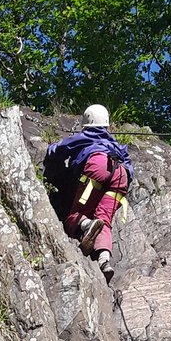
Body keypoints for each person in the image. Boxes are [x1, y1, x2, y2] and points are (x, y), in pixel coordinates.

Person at [42, 104, 133, 283]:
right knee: (104, 219)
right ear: (107, 124)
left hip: (98, 167)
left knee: (74, 215)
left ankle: (86, 225)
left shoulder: (85, 136)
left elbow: (57, 149)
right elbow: (128, 163)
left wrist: (52, 151)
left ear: (87, 123)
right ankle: (104, 261)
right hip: (121, 175)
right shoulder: (115, 144)